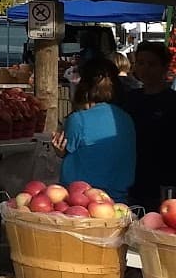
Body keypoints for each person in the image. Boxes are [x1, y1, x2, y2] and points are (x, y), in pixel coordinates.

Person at [53, 61, 136, 202]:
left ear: (83, 86)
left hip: (81, 201)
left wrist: (59, 152)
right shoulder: (125, 118)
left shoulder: (78, 119)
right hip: (119, 200)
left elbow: (65, 149)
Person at [120, 41, 175, 209]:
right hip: (133, 177)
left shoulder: (172, 102)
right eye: (141, 63)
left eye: (152, 64)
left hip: (166, 179)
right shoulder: (130, 99)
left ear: (165, 67)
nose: (145, 69)